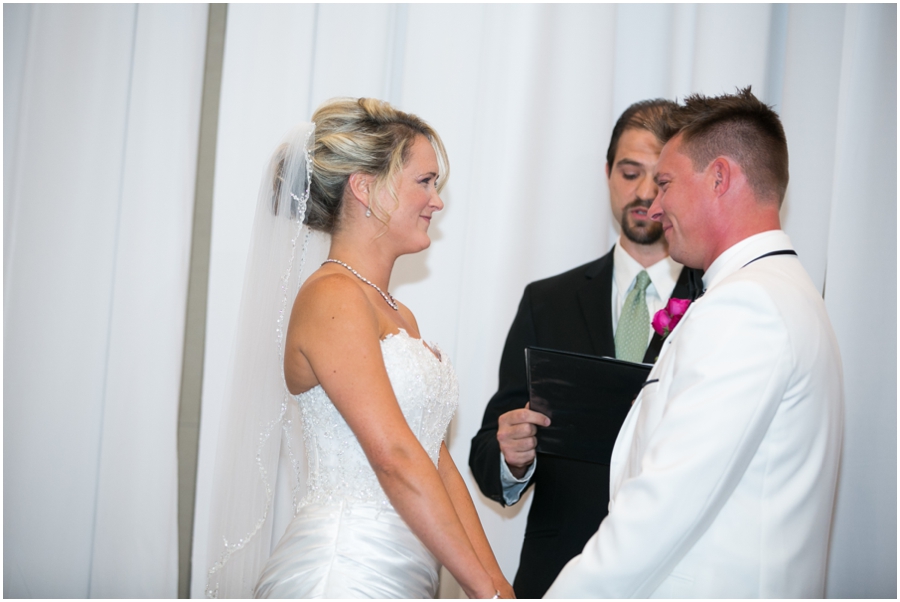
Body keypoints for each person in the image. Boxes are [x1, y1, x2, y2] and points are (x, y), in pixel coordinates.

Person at [206, 98, 513, 599]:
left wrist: (498, 582)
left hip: (408, 570)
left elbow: (431, 457)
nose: (437, 201)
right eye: (425, 181)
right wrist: (487, 592)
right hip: (344, 570)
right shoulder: (332, 296)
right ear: (365, 188)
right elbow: (392, 456)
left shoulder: (398, 314)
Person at [545, 87, 844, 598]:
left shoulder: (746, 308)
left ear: (720, 178)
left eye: (664, 183)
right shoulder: (784, 292)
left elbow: (663, 505)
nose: (654, 206)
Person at [468, 99, 701, 598]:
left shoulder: (716, 301)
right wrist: (511, 457)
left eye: (659, 178)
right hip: (558, 573)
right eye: (628, 172)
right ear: (607, 172)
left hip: (677, 576)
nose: (642, 193)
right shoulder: (547, 301)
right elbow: (487, 449)